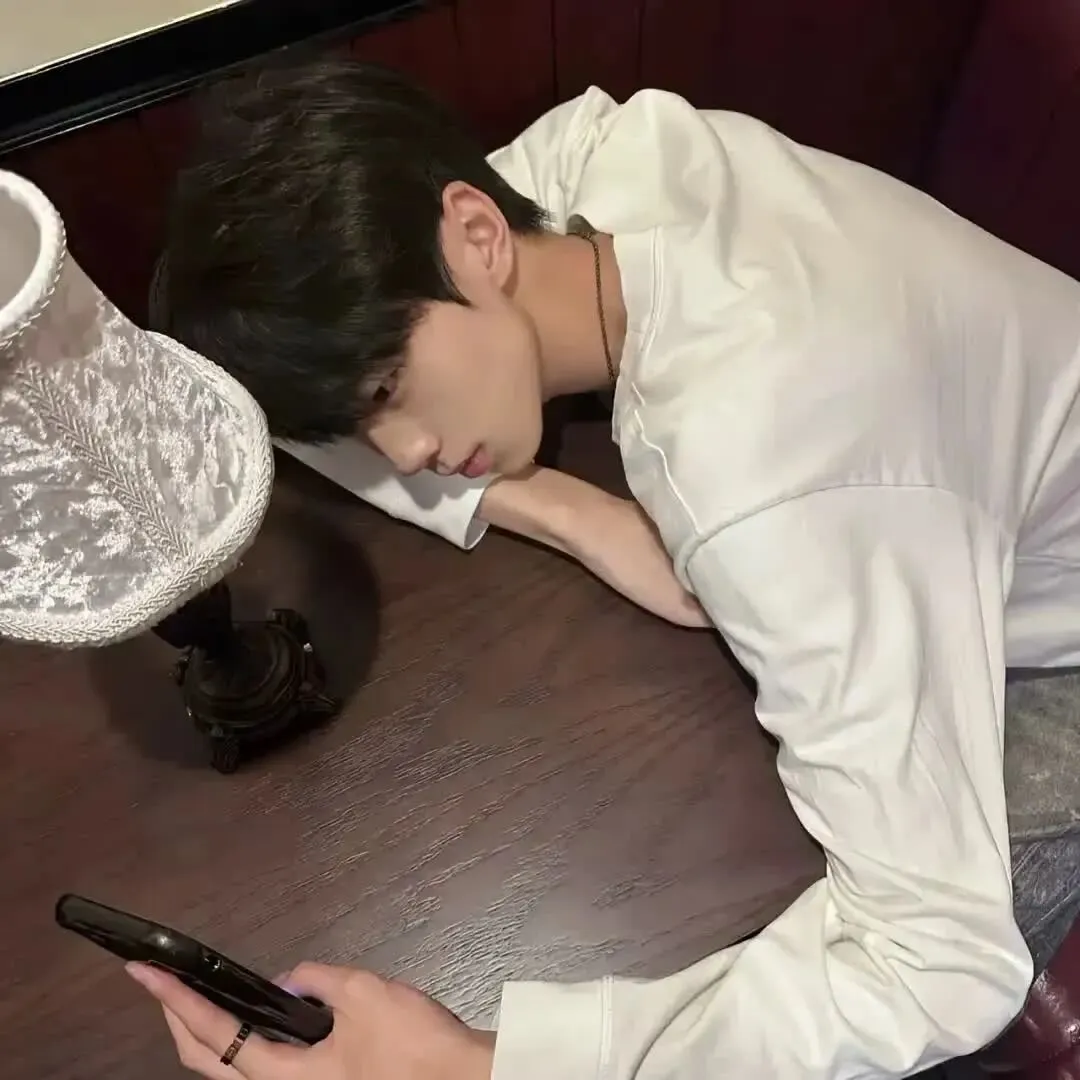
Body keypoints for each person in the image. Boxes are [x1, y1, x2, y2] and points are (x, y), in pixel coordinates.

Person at [136, 56, 1080, 1079]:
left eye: (384, 390)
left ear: (480, 236)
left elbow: (938, 964)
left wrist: (468, 1066)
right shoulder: (608, 157)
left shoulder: (766, 482)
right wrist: (569, 510)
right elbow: (282, 411)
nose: (404, 451)